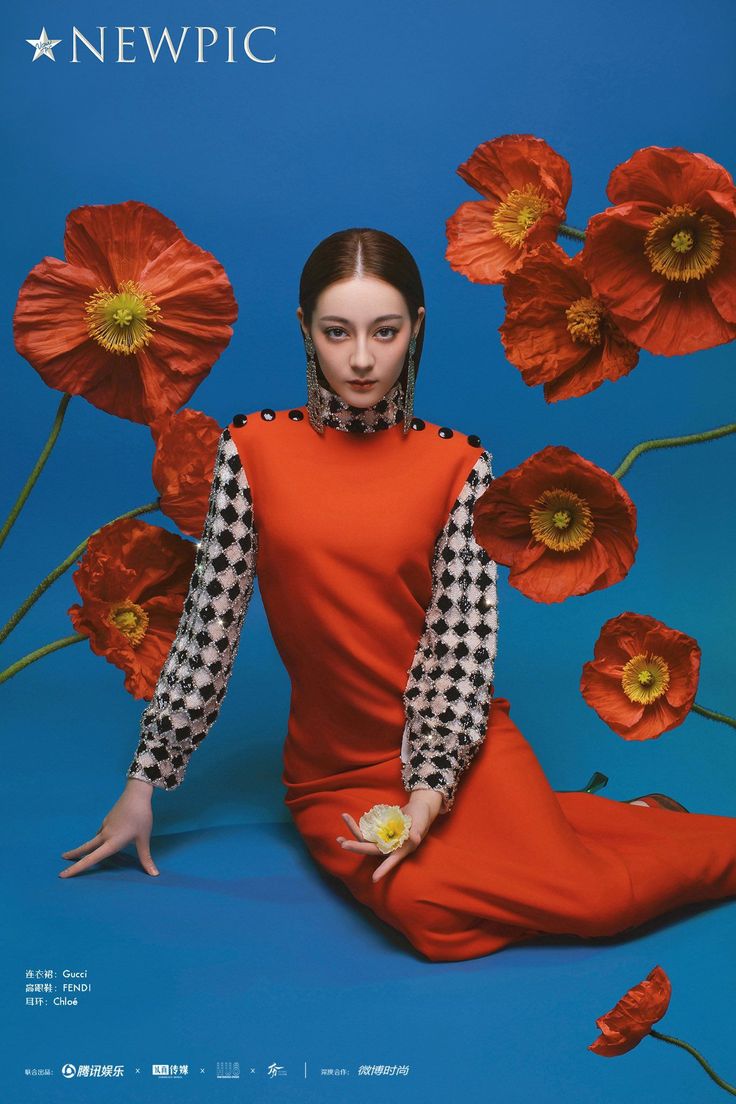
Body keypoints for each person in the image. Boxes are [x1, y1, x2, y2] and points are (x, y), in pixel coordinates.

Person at [59, 228, 736, 963]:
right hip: (333, 773)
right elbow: (207, 633)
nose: (359, 358)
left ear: (416, 327)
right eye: (336, 331)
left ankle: (641, 833)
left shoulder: (459, 464)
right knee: (432, 920)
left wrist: (427, 793)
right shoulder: (249, 451)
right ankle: (616, 822)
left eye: (384, 332)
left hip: (453, 742)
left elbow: (459, 644)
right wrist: (144, 783)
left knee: (597, 902)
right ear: (303, 330)